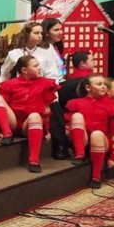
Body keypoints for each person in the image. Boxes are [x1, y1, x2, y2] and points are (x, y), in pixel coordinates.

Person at [0, 55, 59, 172]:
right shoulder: (10, 84)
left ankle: (34, 160)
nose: (39, 68)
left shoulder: (45, 83)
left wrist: (47, 131)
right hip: (13, 122)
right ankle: (7, 133)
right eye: (35, 66)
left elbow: (47, 110)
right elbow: (3, 107)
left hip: (29, 124)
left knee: (35, 115)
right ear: (24, 70)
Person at [65, 74, 114, 188]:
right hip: (82, 139)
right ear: (88, 88)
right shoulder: (76, 102)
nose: (103, 87)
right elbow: (68, 124)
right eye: (99, 84)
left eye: (104, 84)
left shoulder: (111, 105)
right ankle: (79, 155)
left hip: (101, 140)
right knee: (77, 116)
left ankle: (96, 177)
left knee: (97, 134)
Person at [39, 18, 70, 159]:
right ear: (46, 32)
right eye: (56, 30)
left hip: (60, 82)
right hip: (51, 85)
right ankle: (61, 145)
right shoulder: (45, 49)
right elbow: (50, 74)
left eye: (61, 29)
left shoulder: (55, 47)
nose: (60, 32)